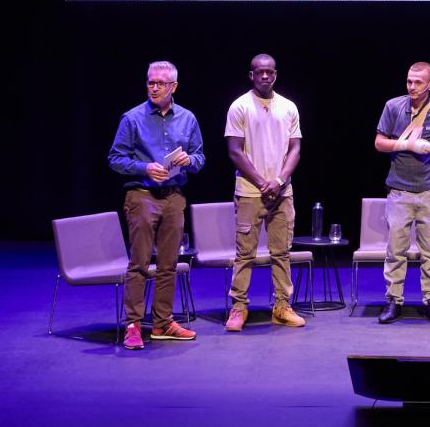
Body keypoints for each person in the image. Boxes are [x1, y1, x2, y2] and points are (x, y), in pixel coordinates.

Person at [107, 60, 205, 350]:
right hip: (142, 195)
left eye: (161, 83)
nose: (154, 87)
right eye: (150, 81)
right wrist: (144, 167)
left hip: (174, 196)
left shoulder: (187, 118)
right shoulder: (132, 118)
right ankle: (134, 325)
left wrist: (190, 161)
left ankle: (163, 322)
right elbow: (115, 158)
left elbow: (200, 157)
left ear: (173, 86)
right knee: (139, 263)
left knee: (169, 264)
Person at [223, 54, 307, 331]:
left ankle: (282, 306)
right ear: (251, 75)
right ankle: (238, 307)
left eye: (269, 72)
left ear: (275, 74)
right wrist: (262, 182)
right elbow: (234, 150)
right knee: (244, 253)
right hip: (249, 191)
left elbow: (295, 148)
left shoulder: (288, 107)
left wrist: (280, 180)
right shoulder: (240, 106)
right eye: (259, 72)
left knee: (281, 252)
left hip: (282, 192)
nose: (264, 77)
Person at [373, 62, 430, 324]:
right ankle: (393, 300)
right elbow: (379, 143)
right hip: (399, 190)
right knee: (395, 250)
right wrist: (408, 144)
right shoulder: (393, 106)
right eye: (409, 81)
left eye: (418, 82)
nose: (412, 86)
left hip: (429, 192)